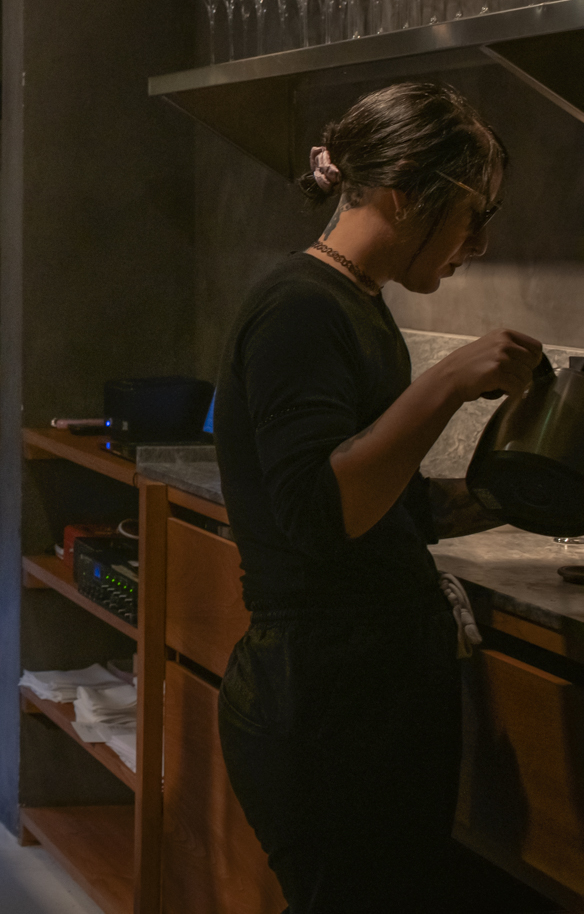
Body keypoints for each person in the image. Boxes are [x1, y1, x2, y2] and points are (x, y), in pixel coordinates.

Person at [213, 82, 540, 913]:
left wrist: (526, 489)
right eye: (473, 216)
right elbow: (326, 513)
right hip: (325, 707)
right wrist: (448, 381)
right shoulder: (299, 308)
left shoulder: (355, 302)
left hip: (361, 699)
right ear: (404, 196)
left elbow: (388, 507)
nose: (479, 242)